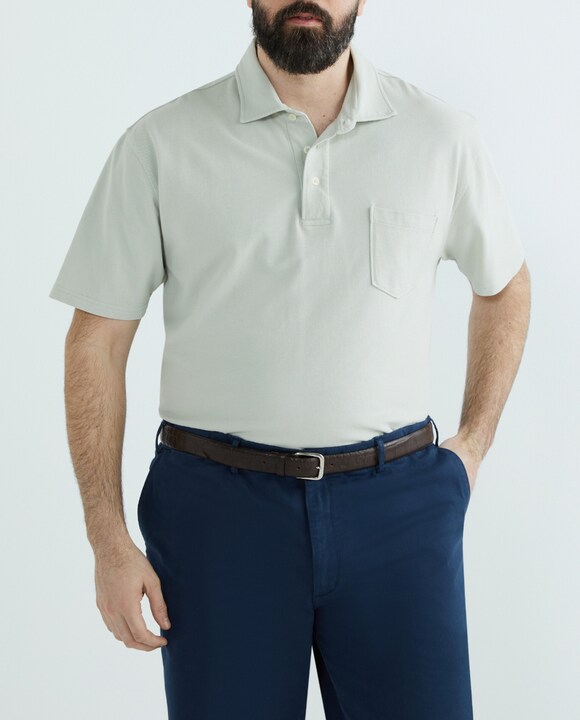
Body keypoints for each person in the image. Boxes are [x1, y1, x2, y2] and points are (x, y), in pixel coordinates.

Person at [48, 1, 531, 718]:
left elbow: (505, 285)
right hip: (217, 516)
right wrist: (107, 539)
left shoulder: (441, 137)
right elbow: (97, 339)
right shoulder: (160, 145)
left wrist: (474, 445)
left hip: (398, 510)